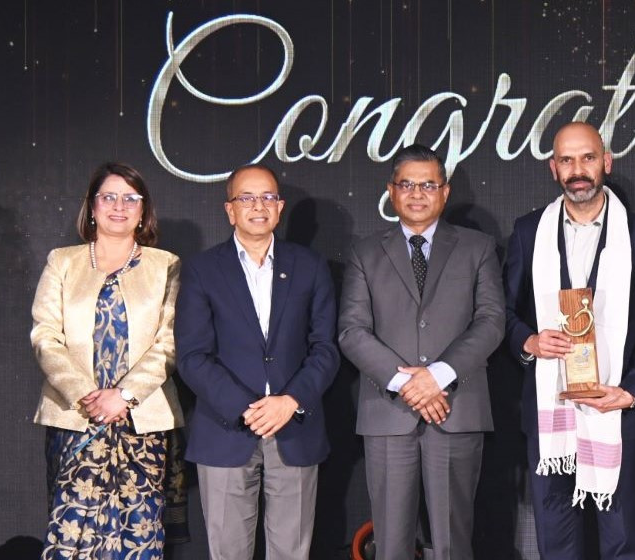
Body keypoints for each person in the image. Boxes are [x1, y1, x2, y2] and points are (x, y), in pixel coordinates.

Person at [502, 122, 635, 559]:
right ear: (553, 167)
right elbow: (501, 313)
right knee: (556, 544)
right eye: (567, 160)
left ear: (606, 162)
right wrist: (529, 342)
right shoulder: (528, 231)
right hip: (550, 416)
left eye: (588, 158)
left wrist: (630, 391)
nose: (577, 169)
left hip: (616, 411)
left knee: (621, 542)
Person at [338, 145, 505, 560]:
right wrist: (408, 385)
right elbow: (351, 331)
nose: (417, 194)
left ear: (445, 192)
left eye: (428, 185)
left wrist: (438, 376)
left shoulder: (478, 247)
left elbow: (490, 322)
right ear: (391, 191)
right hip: (388, 413)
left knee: (453, 543)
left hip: (455, 408)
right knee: (390, 544)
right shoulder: (364, 253)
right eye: (407, 184)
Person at [175, 164, 339, 560]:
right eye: (246, 198)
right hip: (225, 430)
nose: (258, 206)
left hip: (294, 428)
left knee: (291, 553)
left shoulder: (310, 266)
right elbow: (193, 356)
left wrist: (290, 401)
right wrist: (246, 408)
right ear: (230, 209)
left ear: (280, 207)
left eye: (267, 197)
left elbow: (325, 348)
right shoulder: (202, 270)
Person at [32, 162, 184, 558]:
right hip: (76, 418)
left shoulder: (166, 265)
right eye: (109, 197)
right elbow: (45, 335)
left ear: (144, 210)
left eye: (130, 198)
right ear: (92, 206)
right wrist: (87, 395)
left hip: (141, 422)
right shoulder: (62, 261)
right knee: (71, 534)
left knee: (138, 535)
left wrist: (123, 396)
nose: (119, 206)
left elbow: (170, 341)